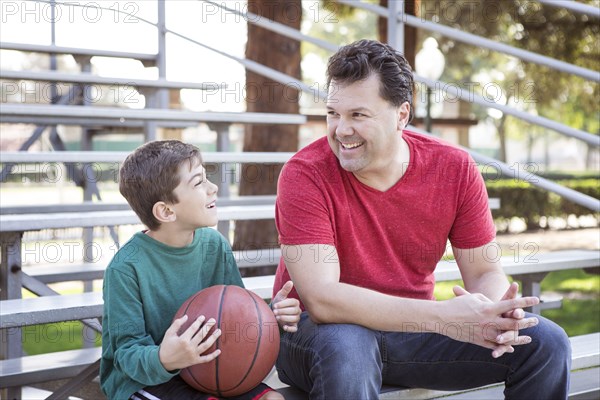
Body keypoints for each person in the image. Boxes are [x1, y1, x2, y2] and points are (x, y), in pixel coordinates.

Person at [272, 39, 571, 399]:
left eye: (358, 115)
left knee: (546, 343)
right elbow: (322, 300)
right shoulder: (305, 174)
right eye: (333, 113)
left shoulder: (454, 169)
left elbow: (483, 273)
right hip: (318, 335)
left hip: (412, 332)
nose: (340, 129)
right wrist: (445, 317)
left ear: (402, 115)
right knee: (349, 347)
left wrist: (495, 313)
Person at [100, 140, 301, 400]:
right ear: (166, 210)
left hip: (209, 367)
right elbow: (125, 355)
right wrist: (165, 358)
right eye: (198, 183)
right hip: (148, 380)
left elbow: (234, 317)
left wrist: (272, 319)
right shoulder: (126, 268)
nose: (213, 187)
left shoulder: (213, 244)